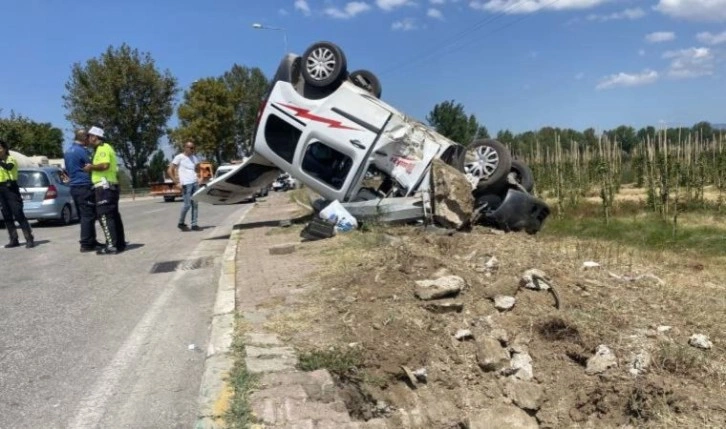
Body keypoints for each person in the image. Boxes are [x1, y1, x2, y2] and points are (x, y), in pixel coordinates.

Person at [83, 126, 126, 255]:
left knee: (104, 216)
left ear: (95, 137)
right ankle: (118, 243)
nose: (88, 139)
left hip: (104, 187)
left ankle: (111, 245)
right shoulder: (104, 148)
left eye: (89, 136)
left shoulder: (102, 148)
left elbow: (105, 165)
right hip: (109, 186)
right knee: (113, 216)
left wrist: (91, 167)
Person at [64, 128, 101, 252]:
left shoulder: (68, 151)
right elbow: (91, 165)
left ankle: (91, 241)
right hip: (84, 185)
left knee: (83, 215)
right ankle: (86, 244)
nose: (90, 140)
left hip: (74, 186)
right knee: (88, 215)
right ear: (84, 138)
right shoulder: (82, 151)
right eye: (88, 137)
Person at [0, 139, 35, 248]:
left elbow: (8, 167)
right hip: (1, 189)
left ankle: (29, 238)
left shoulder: (11, 159)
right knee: (6, 214)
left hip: (11, 188)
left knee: (18, 213)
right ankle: (13, 238)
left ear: (5, 148)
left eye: (0, 148)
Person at [168, 141, 201, 231]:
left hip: (195, 183)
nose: (192, 149)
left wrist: (199, 177)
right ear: (185, 148)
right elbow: (170, 170)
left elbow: (198, 169)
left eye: (193, 148)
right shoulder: (179, 157)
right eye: (190, 148)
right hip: (186, 184)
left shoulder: (194, 158)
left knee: (195, 204)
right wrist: (176, 182)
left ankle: (194, 224)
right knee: (187, 205)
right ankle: (181, 223)